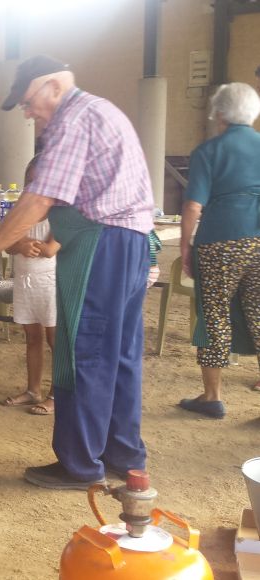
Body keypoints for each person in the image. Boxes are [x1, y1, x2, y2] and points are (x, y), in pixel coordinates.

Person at [0, 55, 155, 490]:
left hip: (101, 244)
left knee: (86, 353)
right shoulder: (101, 110)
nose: (27, 112)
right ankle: (123, 454)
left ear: (52, 87)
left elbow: (38, 199)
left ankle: (81, 465)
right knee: (119, 355)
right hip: (131, 243)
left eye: (28, 102)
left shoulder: (72, 119)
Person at [176, 82, 260, 418]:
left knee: (214, 316)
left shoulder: (209, 151)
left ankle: (212, 397)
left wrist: (185, 247)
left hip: (220, 241)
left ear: (220, 112)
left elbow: (194, 205)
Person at [0, 155, 59, 416]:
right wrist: (20, 244)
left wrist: (27, 244)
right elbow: (7, 243)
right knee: (32, 337)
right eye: (30, 182)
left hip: (50, 282)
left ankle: (57, 395)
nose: (35, 188)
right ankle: (33, 389)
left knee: (55, 340)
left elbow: (49, 249)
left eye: (41, 181)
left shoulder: (59, 214)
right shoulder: (19, 212)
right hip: (25, 281)